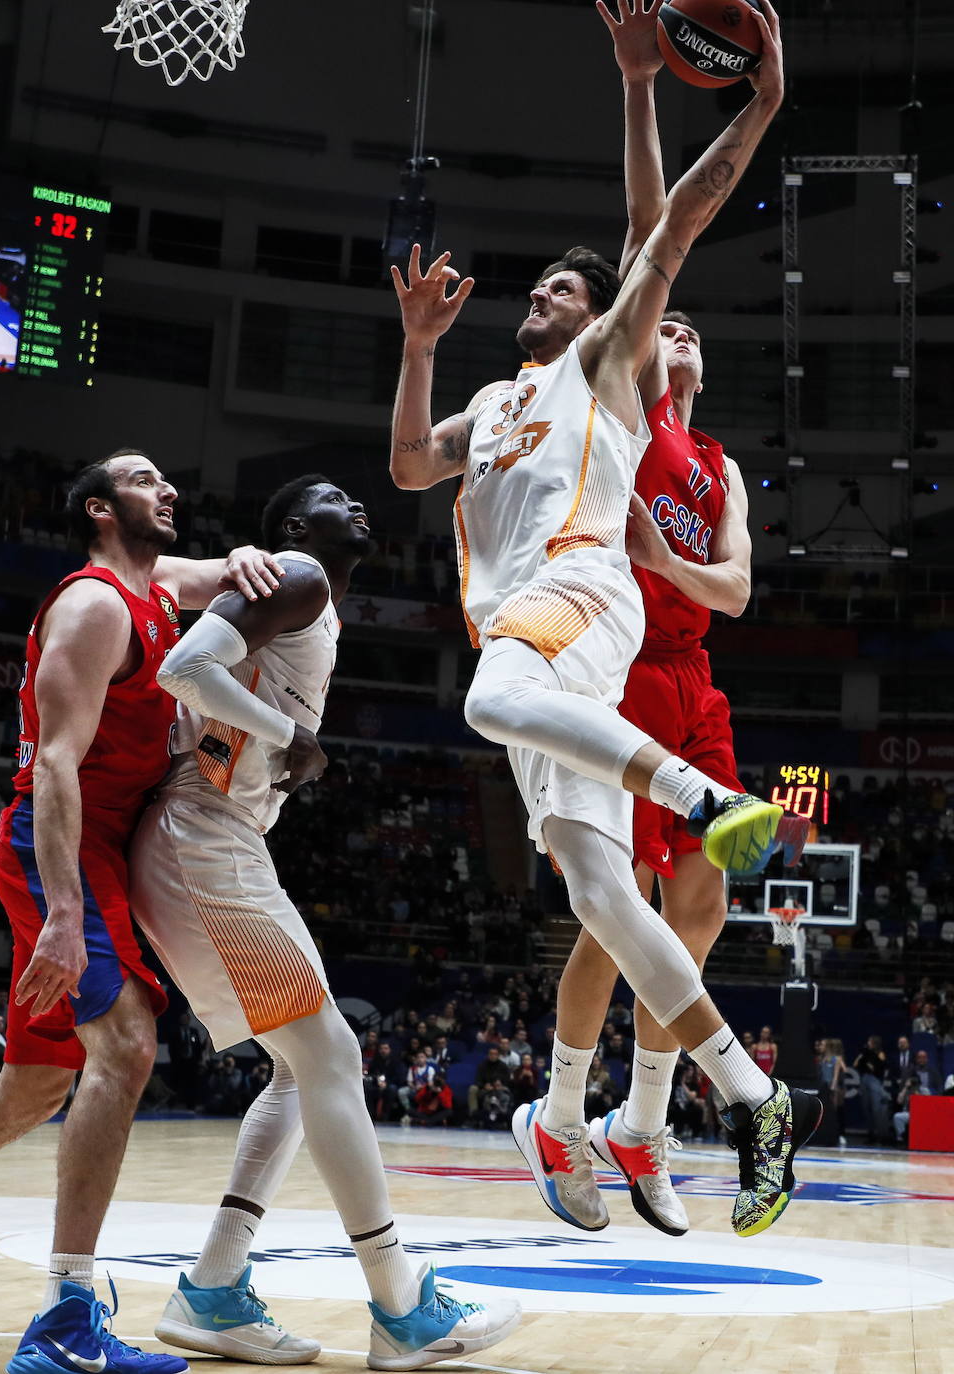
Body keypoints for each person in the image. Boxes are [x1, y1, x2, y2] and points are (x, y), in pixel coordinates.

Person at [390, 0, 815, 1241]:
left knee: (491, 702)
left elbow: (664, 225)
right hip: (529, 644)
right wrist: (417, 346)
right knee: (599, 898)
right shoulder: (491, 399)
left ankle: (700, 796)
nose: (541, 293)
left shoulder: (605, 369)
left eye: (563, 288)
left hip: (582, 601)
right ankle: (750, 1096)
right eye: (537, 286)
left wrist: (715, 97)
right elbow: (409, 466)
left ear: (603, 317)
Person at [128, 475, 520, 1368]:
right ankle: (401, 1305)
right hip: (200, 834)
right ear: (298, 527)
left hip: (217, 836)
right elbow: (182, 668)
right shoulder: (298, 574)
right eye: (337, 498)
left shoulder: (311, 603)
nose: (359, 505)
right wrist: (289, 735)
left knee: (303, 1069)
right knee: (331, 1056)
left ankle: (215, 1287)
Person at [532, 0, 767, 1241]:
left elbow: (734, 591)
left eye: (685, 328)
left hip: (692, 680)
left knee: (701, 908)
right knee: (609, 909)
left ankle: (643, 1122)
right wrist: (643, 89)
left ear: (701, 368)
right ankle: (564, 1110)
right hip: (617, 666)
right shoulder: (619, 405)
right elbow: (653, 228)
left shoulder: (717, 467)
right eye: (660, 319)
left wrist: (668, 556)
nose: (670, 327)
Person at [0, 448, 282, 1374]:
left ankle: (67, 1314)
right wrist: (65, 912)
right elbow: (55, 765)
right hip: (60, 849)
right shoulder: (95, 605)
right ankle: (67, 1316)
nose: (170, 488)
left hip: (98, 851)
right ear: (99, 508)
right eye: (147, 479)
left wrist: (246, 558)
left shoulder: (152, 590)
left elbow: (214, 574)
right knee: (125, 1047)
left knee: (32, 1089)